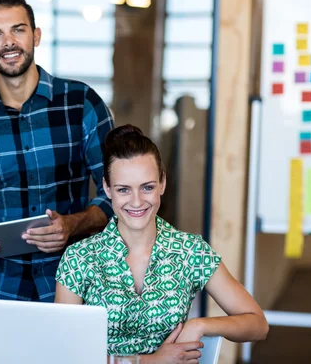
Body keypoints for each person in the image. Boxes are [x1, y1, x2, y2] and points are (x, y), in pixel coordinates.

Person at [0, 0, 114, 324]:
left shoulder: (81, 104)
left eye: (18, 29)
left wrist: (73, 224)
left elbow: (116, 194)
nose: (9, 42)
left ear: (36, 35)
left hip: (71, 282)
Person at [54, 124, 269, 362]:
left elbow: (258, 323)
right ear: (107, 188)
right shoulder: (79, 257)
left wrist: (200, 325)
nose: (136, 202)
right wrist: (149, 361)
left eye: (147, 187)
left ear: (163, 183)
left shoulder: (189, 250)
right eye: (124, 189)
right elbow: (64, 351)